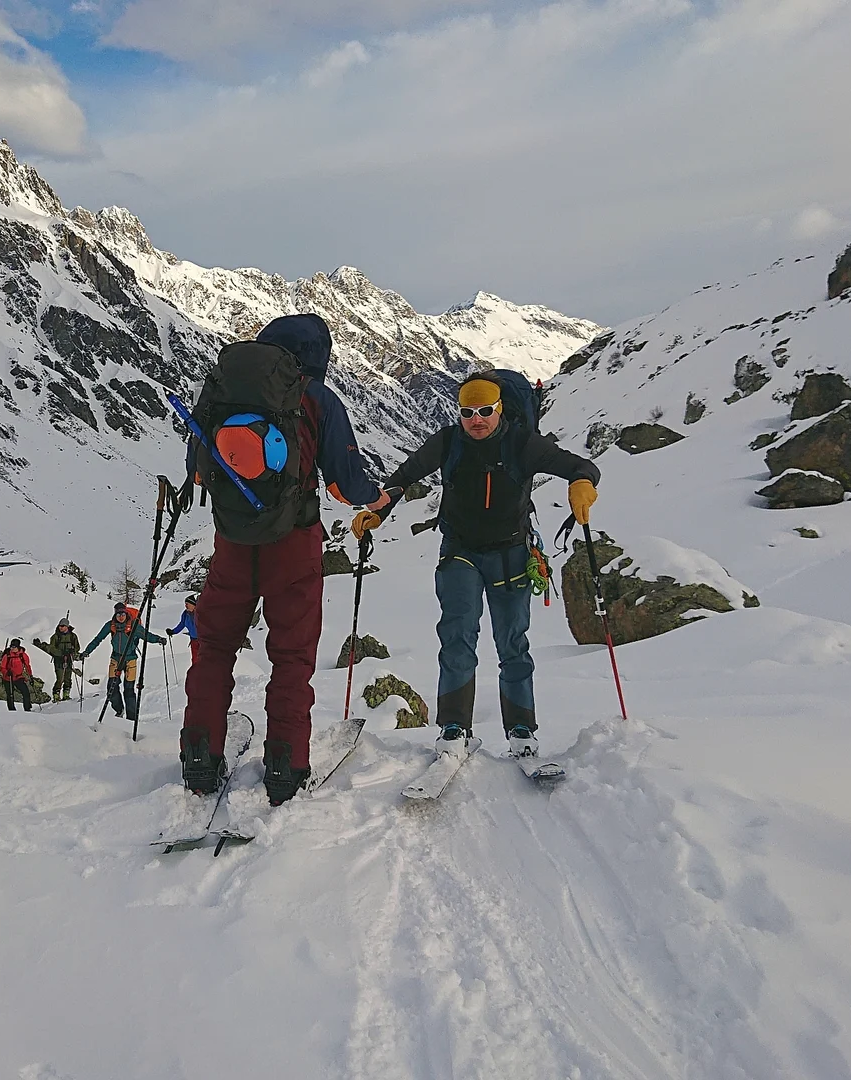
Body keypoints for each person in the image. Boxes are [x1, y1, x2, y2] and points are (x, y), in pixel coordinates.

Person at [181, 312, 388, 806]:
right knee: (291, 657)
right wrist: (375, 497)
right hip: (293, 544)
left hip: (232, 540)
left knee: (213, 646)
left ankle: (199, 757)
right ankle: (286, 764)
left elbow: (197, 472)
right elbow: (343, 484)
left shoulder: (224, 393)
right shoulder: (316, 397)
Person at [358, 372, 601, 759]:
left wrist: (582, 483)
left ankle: (521, 729)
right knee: (457, 637)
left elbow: (580, 466)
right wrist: (379, 511)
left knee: (513, 643)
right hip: (460, 552)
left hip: (512, 554)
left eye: (485, 411)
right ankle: (454, 727)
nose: (476, 419)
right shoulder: (449, 441)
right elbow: (404, 476)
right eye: (467, 412)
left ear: (499, 408)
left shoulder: (522, 443)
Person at [81, 602, 164, 721]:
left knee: (129, 690)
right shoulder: (111, 625)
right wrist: (87, 651)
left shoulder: (134, 625)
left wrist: (158, 639)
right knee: (111, 687)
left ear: (126, 613)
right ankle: (119, 710)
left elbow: (147, 636)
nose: (121, 616)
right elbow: (98, 639)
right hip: (116, 658)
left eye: (123, 614)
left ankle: (131, 718)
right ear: (115, 615)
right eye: (118, 614)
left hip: (130, 659)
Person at [33, 619, 80, 702]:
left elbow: (77, 647)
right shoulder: (55, 637)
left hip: (69, 659)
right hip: (59, 660)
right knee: (60, 678)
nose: (60, 628)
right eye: (59, 626)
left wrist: (72, 651)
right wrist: (61, 653)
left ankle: (66, 694)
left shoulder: (73, 636)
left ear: (67, 626)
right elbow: (51, 648)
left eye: (62, 626)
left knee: (68, 678)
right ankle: (56, 695)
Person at [0, 638, 35, 711]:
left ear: (18, 647)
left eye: (14, 647)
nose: (12, 648)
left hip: (18, 677)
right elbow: (2, 667)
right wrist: (6, 672)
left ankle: (27, 708)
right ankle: (12, 710)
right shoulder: (7, 656)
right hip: (8, 678)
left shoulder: (23, 655)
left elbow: (27, 666)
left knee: (25, 692)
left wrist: (30, 676)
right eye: (11, 647)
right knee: (10, 695)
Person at [166, 596, 199, 660]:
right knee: (195, 660)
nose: (185, 606)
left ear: (193, 604)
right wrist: (173, 632)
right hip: (194, 641)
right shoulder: (185, 614)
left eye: (187, 604)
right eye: (185, 604)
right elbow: (181, 625)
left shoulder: (200, 613)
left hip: (204, 642)